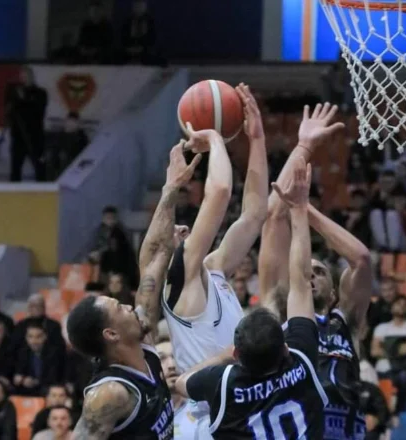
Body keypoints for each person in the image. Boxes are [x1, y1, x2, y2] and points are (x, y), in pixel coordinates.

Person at [176, 157, 329, 438]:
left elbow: (181, 383)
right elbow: (299, 284)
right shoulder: (302, 361)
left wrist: (223, 357)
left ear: (237, 355)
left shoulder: (223, 384)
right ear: (284, 347)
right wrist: (299, 212)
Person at [67, 139, 201, 439]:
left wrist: (171, 187)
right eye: (119, 308)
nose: (127, 305)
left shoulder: (144, 337)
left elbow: (153, 258)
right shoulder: (110, 394)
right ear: (111, 334)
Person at [257, 102, 372, 440]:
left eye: (320, 271)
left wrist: (305, 210)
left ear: (335, 293)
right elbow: (274, 216)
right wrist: (304, 147)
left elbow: (361, 260)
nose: (310, 273)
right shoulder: (277, 308)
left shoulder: (346, 321)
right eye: (305, 268)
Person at [160, 85, 268, 439]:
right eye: (174, 231)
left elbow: (254, 214)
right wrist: (216, 139)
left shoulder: (212, 270)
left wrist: (256, 139)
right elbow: (219, 193)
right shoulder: (183, 280)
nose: (182, 229)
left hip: (236, 406)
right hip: (207, 418)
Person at [4, 66, 48, 182]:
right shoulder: (15, 93)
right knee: (15, 168)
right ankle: (14, 192)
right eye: (21, 76)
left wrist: (23, 99)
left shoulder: (40, 93)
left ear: (31, 77)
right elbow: (10, 112)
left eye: (25, 76)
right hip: (18, 136)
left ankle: (43, 191)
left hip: (34, 136)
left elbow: (38, 111)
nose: (23, 78)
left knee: (39, 167)